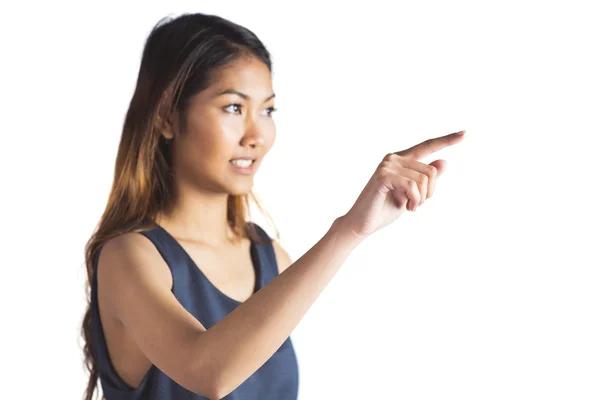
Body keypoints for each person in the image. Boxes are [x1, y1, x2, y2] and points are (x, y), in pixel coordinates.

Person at [80, 12, 465, 400]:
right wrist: (348, 231)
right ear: (166, 117)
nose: (257, 135)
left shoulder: (267, 256)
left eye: (267, 111)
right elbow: (209, 372)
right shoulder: (129, 257)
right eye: (233, 108)